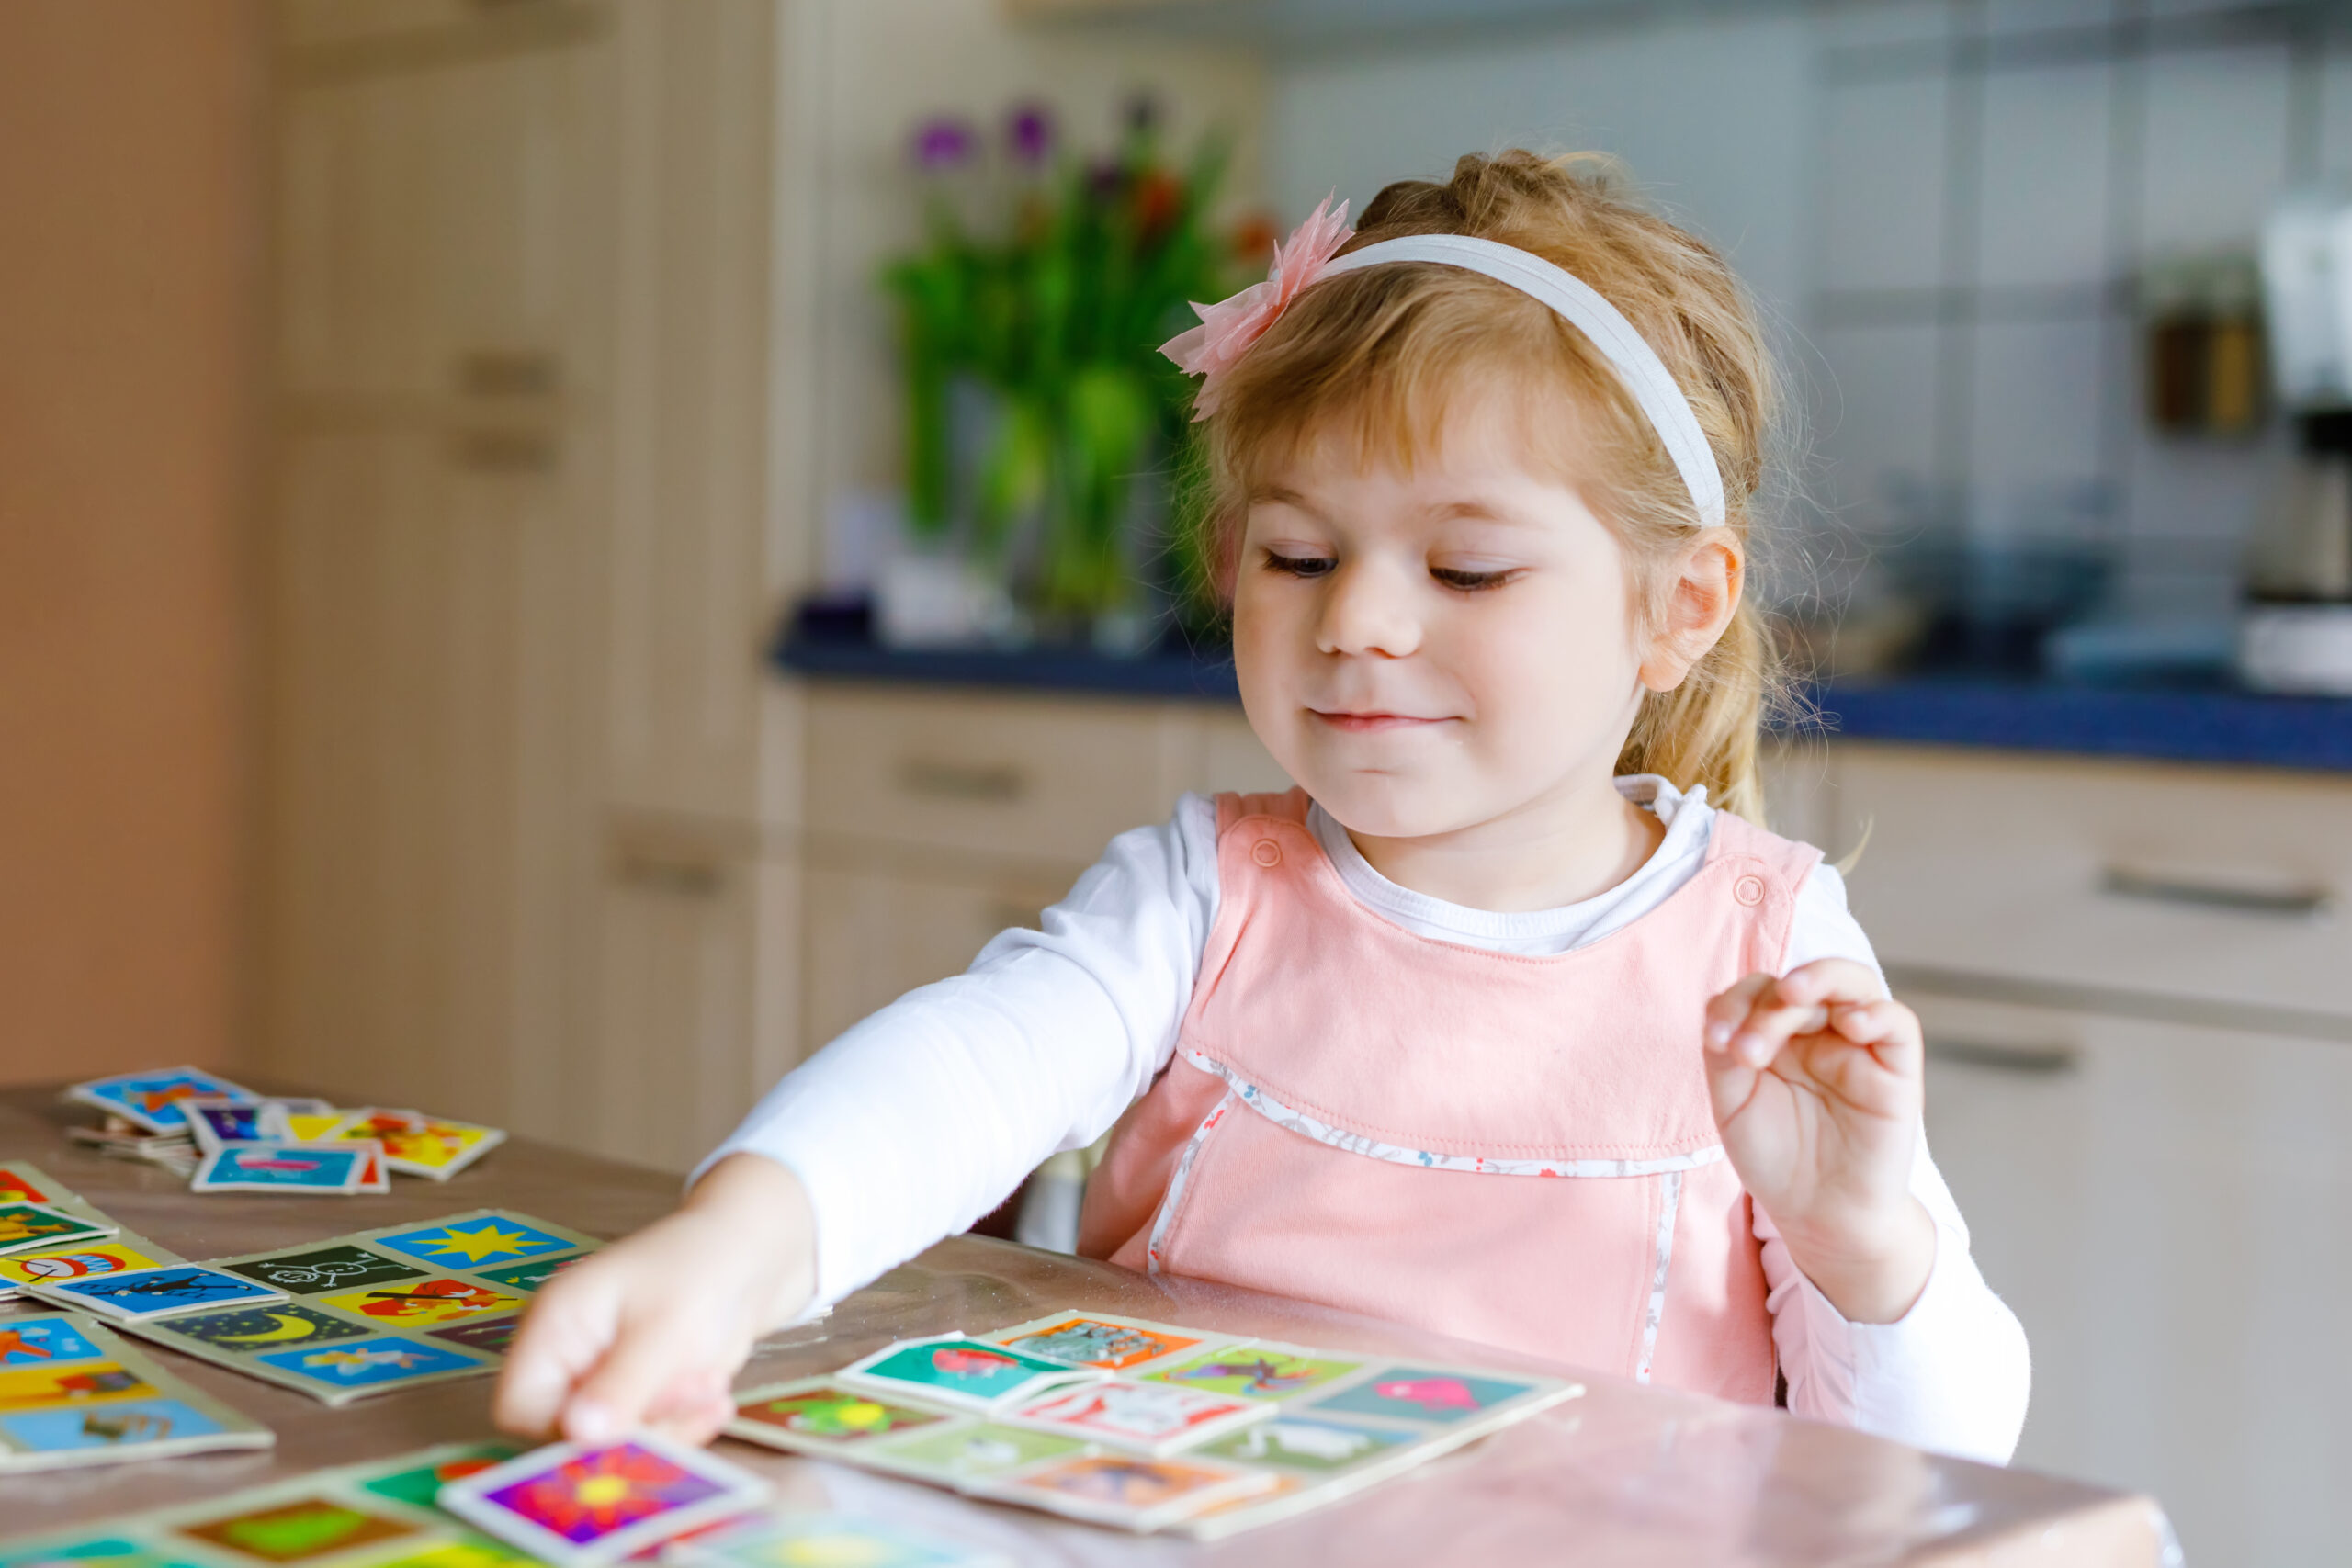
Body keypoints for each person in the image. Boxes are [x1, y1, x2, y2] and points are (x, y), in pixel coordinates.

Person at [495, 151, 2030, 1464]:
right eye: (1298, 555)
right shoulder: (1204, 892)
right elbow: (970, 1070)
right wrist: (739, 1246)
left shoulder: (1762, 949)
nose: (1359, 618)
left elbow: (1934, 1470)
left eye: (1467, 567)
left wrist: (1863, 1249)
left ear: (1676, 607)